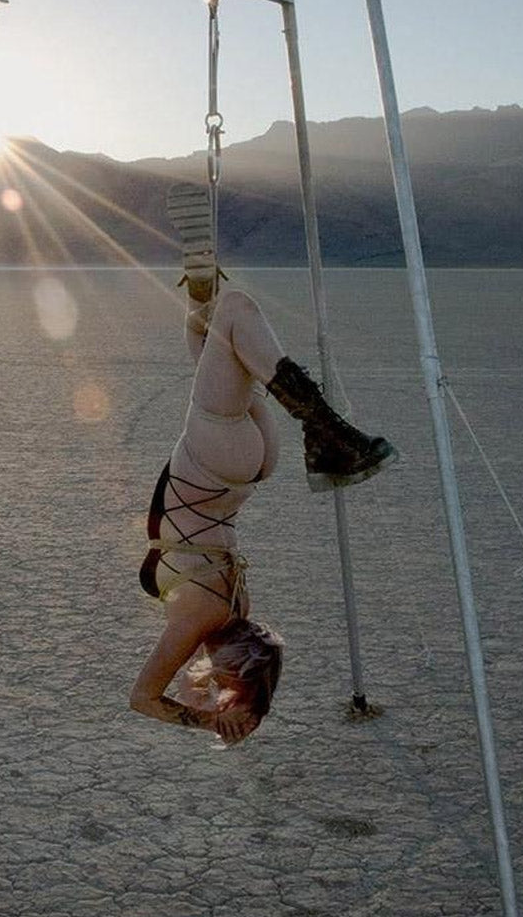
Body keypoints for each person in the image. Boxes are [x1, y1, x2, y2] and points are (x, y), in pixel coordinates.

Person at [129, 189, 397, 745]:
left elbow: (248, 665)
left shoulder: (234, 605)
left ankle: (200, 285)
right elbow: (143, 699)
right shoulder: (201, 616)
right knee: (235, 312)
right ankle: (325, 432)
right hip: (209, 467)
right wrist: (211, 717)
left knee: (209, 345)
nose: (200, 681)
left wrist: (235, 702)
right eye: (214, 680)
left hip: (242, 470)